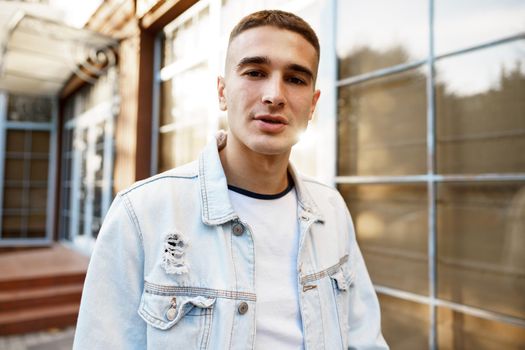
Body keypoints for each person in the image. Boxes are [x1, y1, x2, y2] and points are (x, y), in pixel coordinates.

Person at [73, 9, 388, 350]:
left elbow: (364, 338)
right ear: (222, 92)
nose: (274, 95)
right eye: (255, 72)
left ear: (312, 105)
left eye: (295, 79)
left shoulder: (331, 209)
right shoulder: (142, 212)